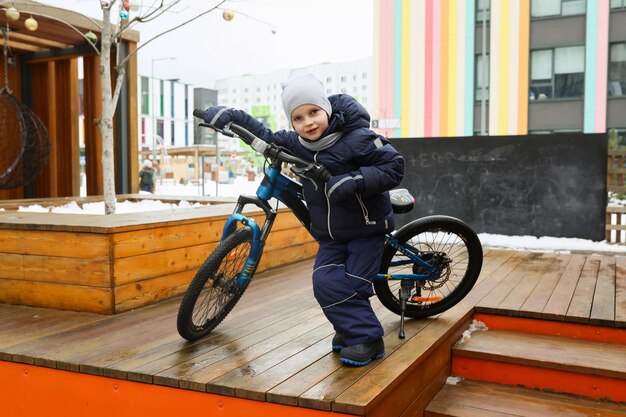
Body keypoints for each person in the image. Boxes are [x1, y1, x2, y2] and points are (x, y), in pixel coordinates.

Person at [201, 74, 404, 366]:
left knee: (353, 284)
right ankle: (350, 327)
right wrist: (227, 116)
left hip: (367, 228)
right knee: (324, 281)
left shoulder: (358, 138)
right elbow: (266, 136)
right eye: (298, 117)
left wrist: (353, 180)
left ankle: (367, 339)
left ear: (326, 109)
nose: (308, 122)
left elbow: (394, 165)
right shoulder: (297, 144)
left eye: (313, 112)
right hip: (332, 235)